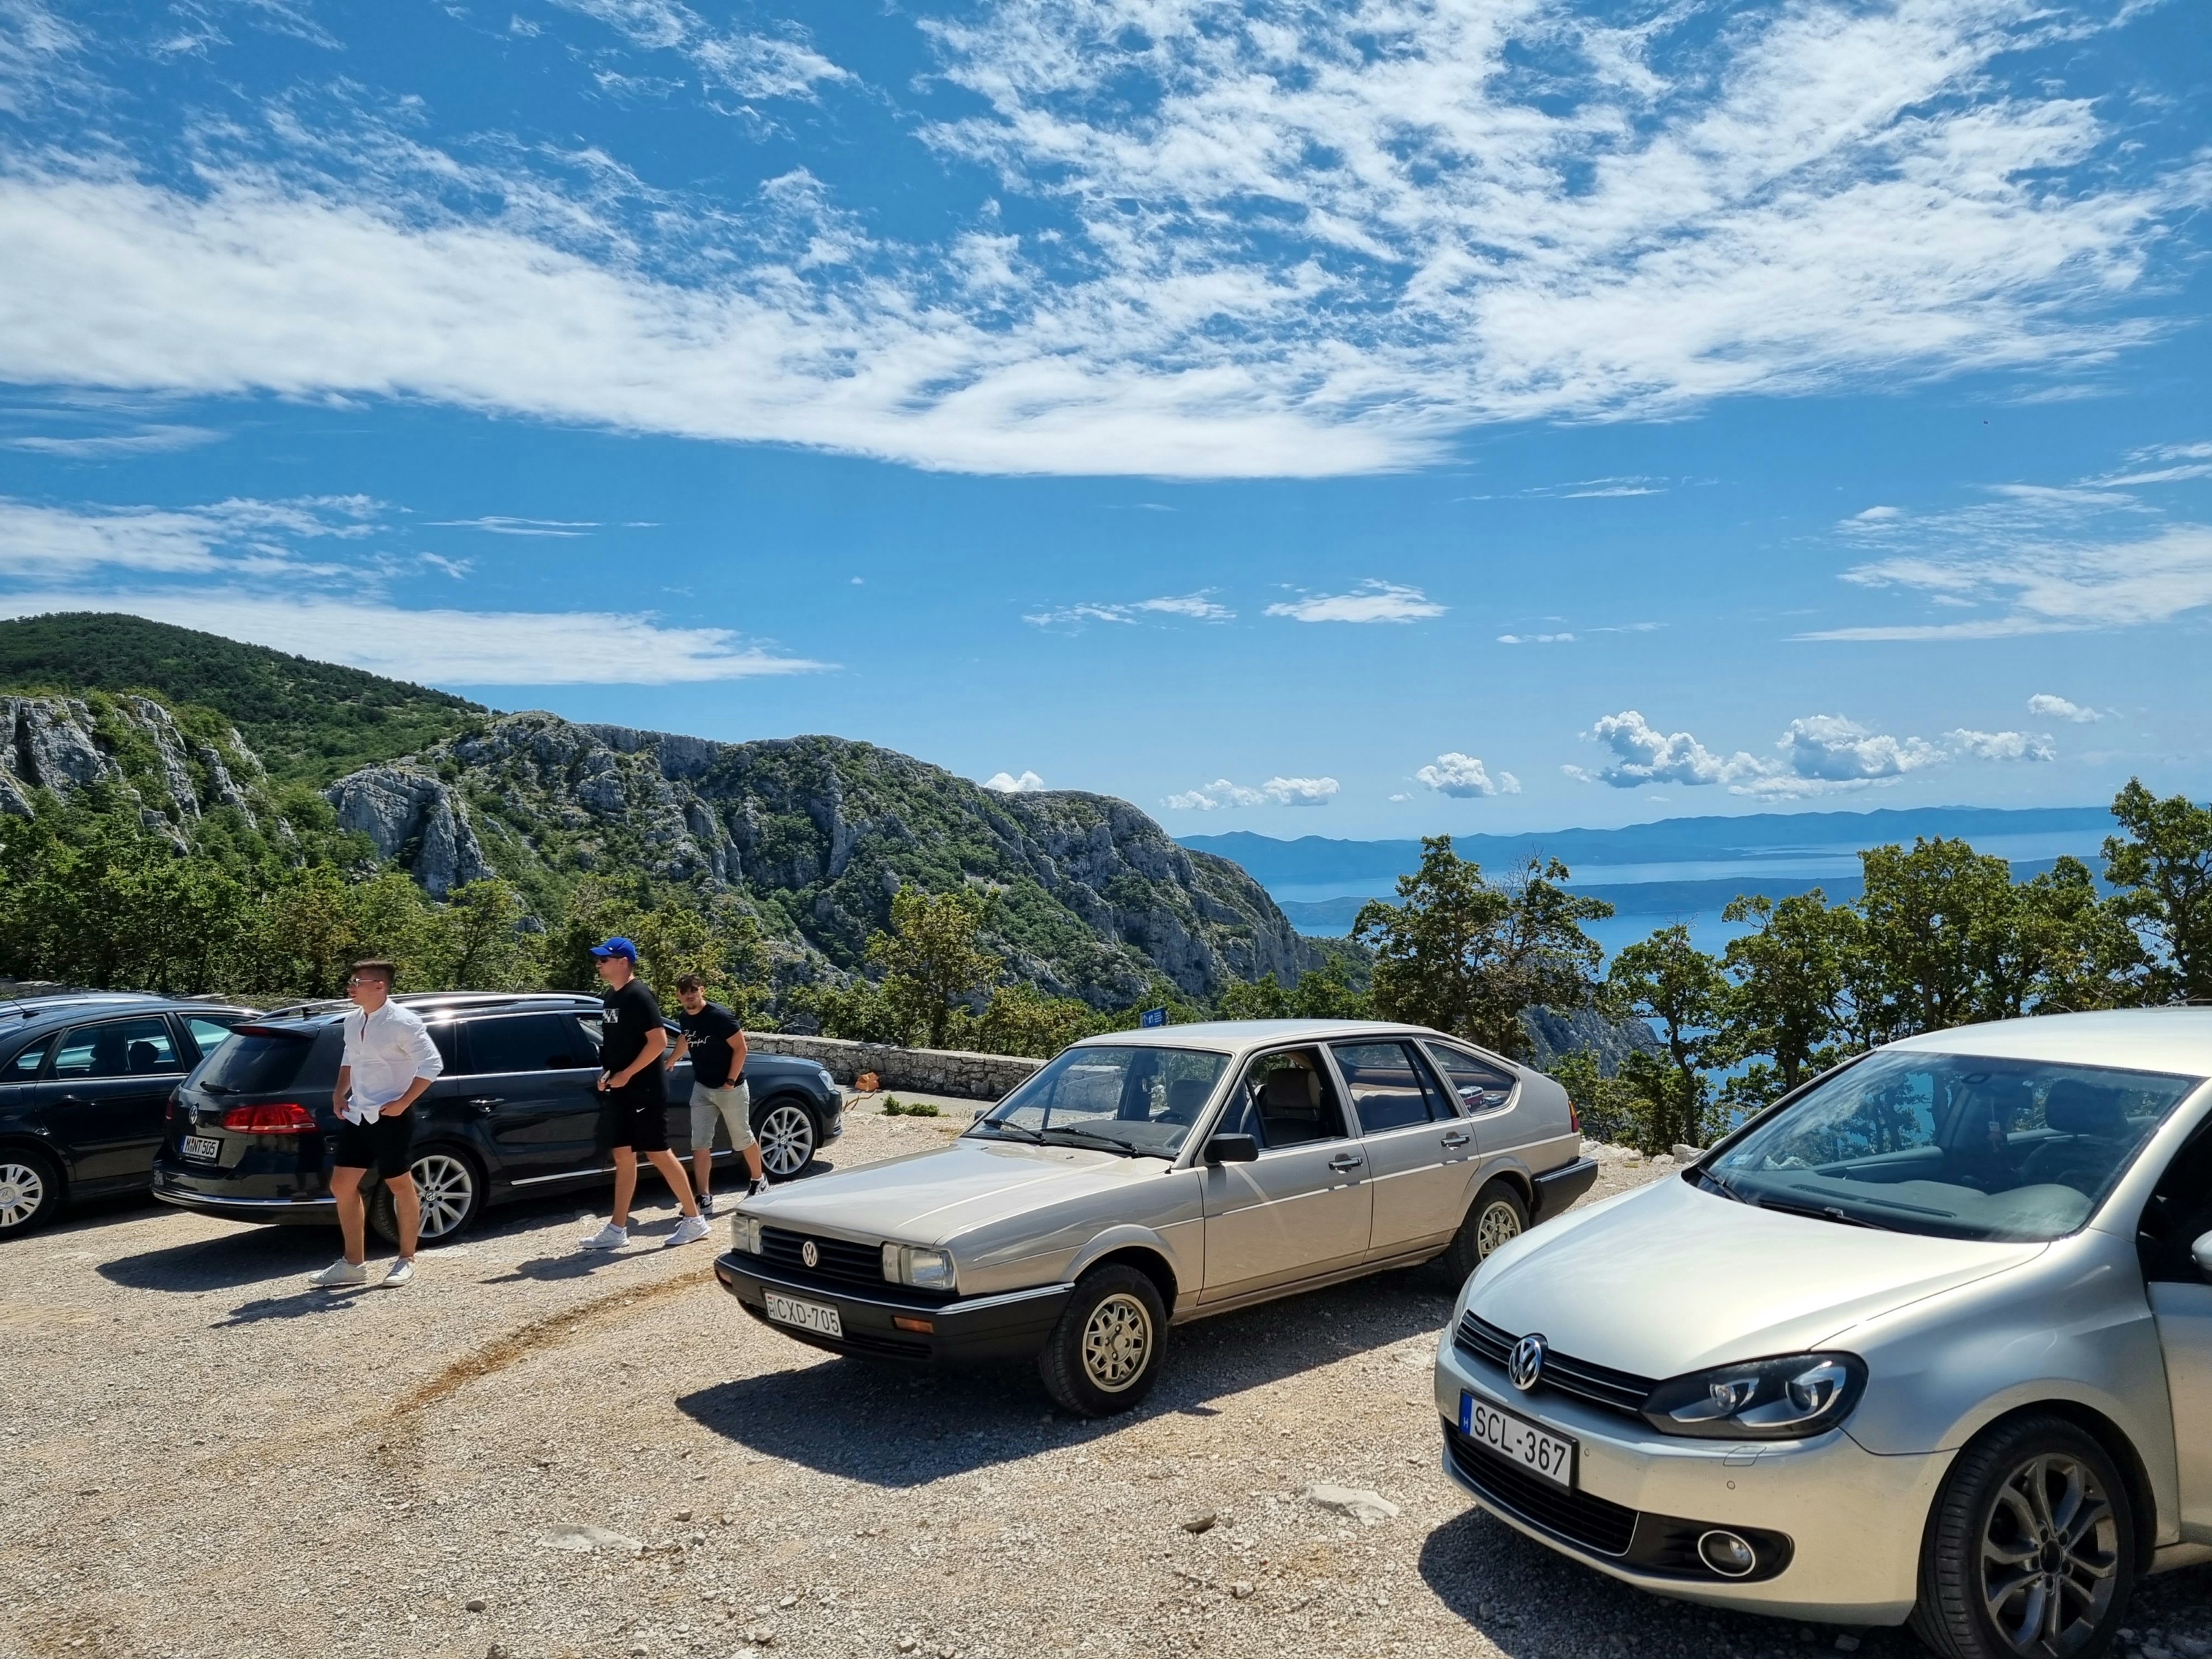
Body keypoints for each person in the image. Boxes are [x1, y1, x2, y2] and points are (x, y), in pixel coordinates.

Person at [310, 959, 443, 1290]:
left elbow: (432, 1064)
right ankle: (353, 1264)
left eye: (357, 981)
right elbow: (349, 1059)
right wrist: (340, 1093)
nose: (350, 987)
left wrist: (402, 1103)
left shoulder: (403, 1022)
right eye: (351, 981)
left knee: (400, 1185)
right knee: (341, 1186)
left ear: (379, 986)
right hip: (358, 1114)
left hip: (392, 1117)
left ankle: (406, 1259)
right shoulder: (353, 1021)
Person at [579, 938, 713, 1252]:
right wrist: (609, 1073)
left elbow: (657, 1043)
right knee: (623, 1155)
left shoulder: (640, 996)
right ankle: (617, 1228)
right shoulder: (611, 997)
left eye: (605, 959)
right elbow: (618, 1045)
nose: (599, 964)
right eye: (599, 959)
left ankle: (694, 1220)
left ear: (623, 961)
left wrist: (627, 1074)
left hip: (645, 1091)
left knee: (657, 1152)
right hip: (620, 1089)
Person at [670, 973, 764, 1216]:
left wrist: (730, 1081)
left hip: (729, 1088)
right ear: (678, 996)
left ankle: (758, 1180)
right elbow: (686, 1038)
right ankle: (704, 1198)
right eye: (684, 992)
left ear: (702, 990)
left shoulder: (720, 1016)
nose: (689, 995)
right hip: (702, 1088)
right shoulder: (684, 1017)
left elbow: (741, 1048)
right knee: (699, 1143)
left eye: (693, 990)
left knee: (742, 1138)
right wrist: (671, 1059)